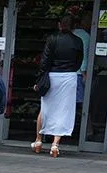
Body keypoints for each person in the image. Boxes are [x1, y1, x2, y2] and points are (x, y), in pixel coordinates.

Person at [34, 14, 82, 156]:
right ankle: (55, 144)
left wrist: (40, 79)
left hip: (52, 75)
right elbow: (79, 61)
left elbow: (45, 61)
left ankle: (38, 140)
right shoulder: (78, 41)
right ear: (73, 27)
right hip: (69, 76)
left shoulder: (52, 39)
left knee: (45, 108)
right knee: (63, 110)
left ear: (59, 25)